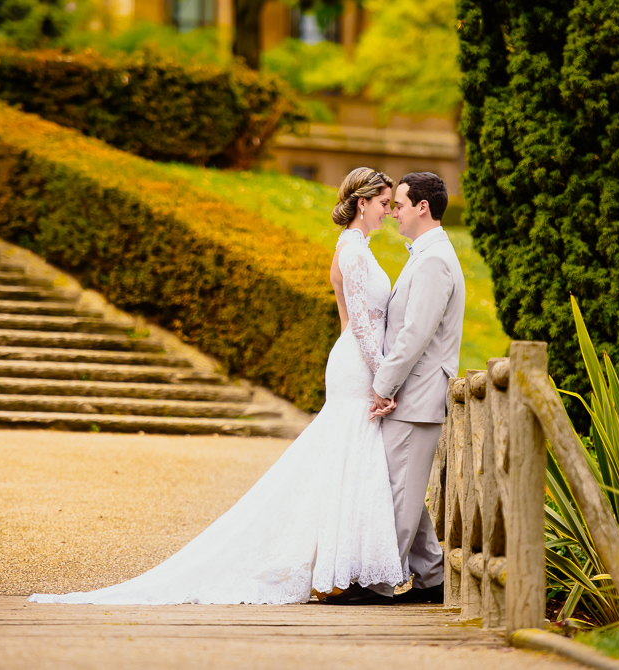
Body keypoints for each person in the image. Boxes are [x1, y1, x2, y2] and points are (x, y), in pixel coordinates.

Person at [29, 167, 406, 605]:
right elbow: (359, 323)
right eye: (383, 204)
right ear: (363, 203)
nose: (387, 211)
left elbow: (349, 322)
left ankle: (341, 567)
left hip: (351, 360)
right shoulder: (355, 252)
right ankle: (340, 569)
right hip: (358, 364)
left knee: (344, 460)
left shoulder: (352, 246)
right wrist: (382, 379)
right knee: (346, 456)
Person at [324, 172, 465, 606]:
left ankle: (378, 584)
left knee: (398, 491)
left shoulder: (435, 259)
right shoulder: (425, 255)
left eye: (399, 204)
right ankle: (431, 577)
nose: (394, 212)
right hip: (409, 395)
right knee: (399, 486)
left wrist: (382, 385)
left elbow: (415, 335)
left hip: (416, 396)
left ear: (423, 206)